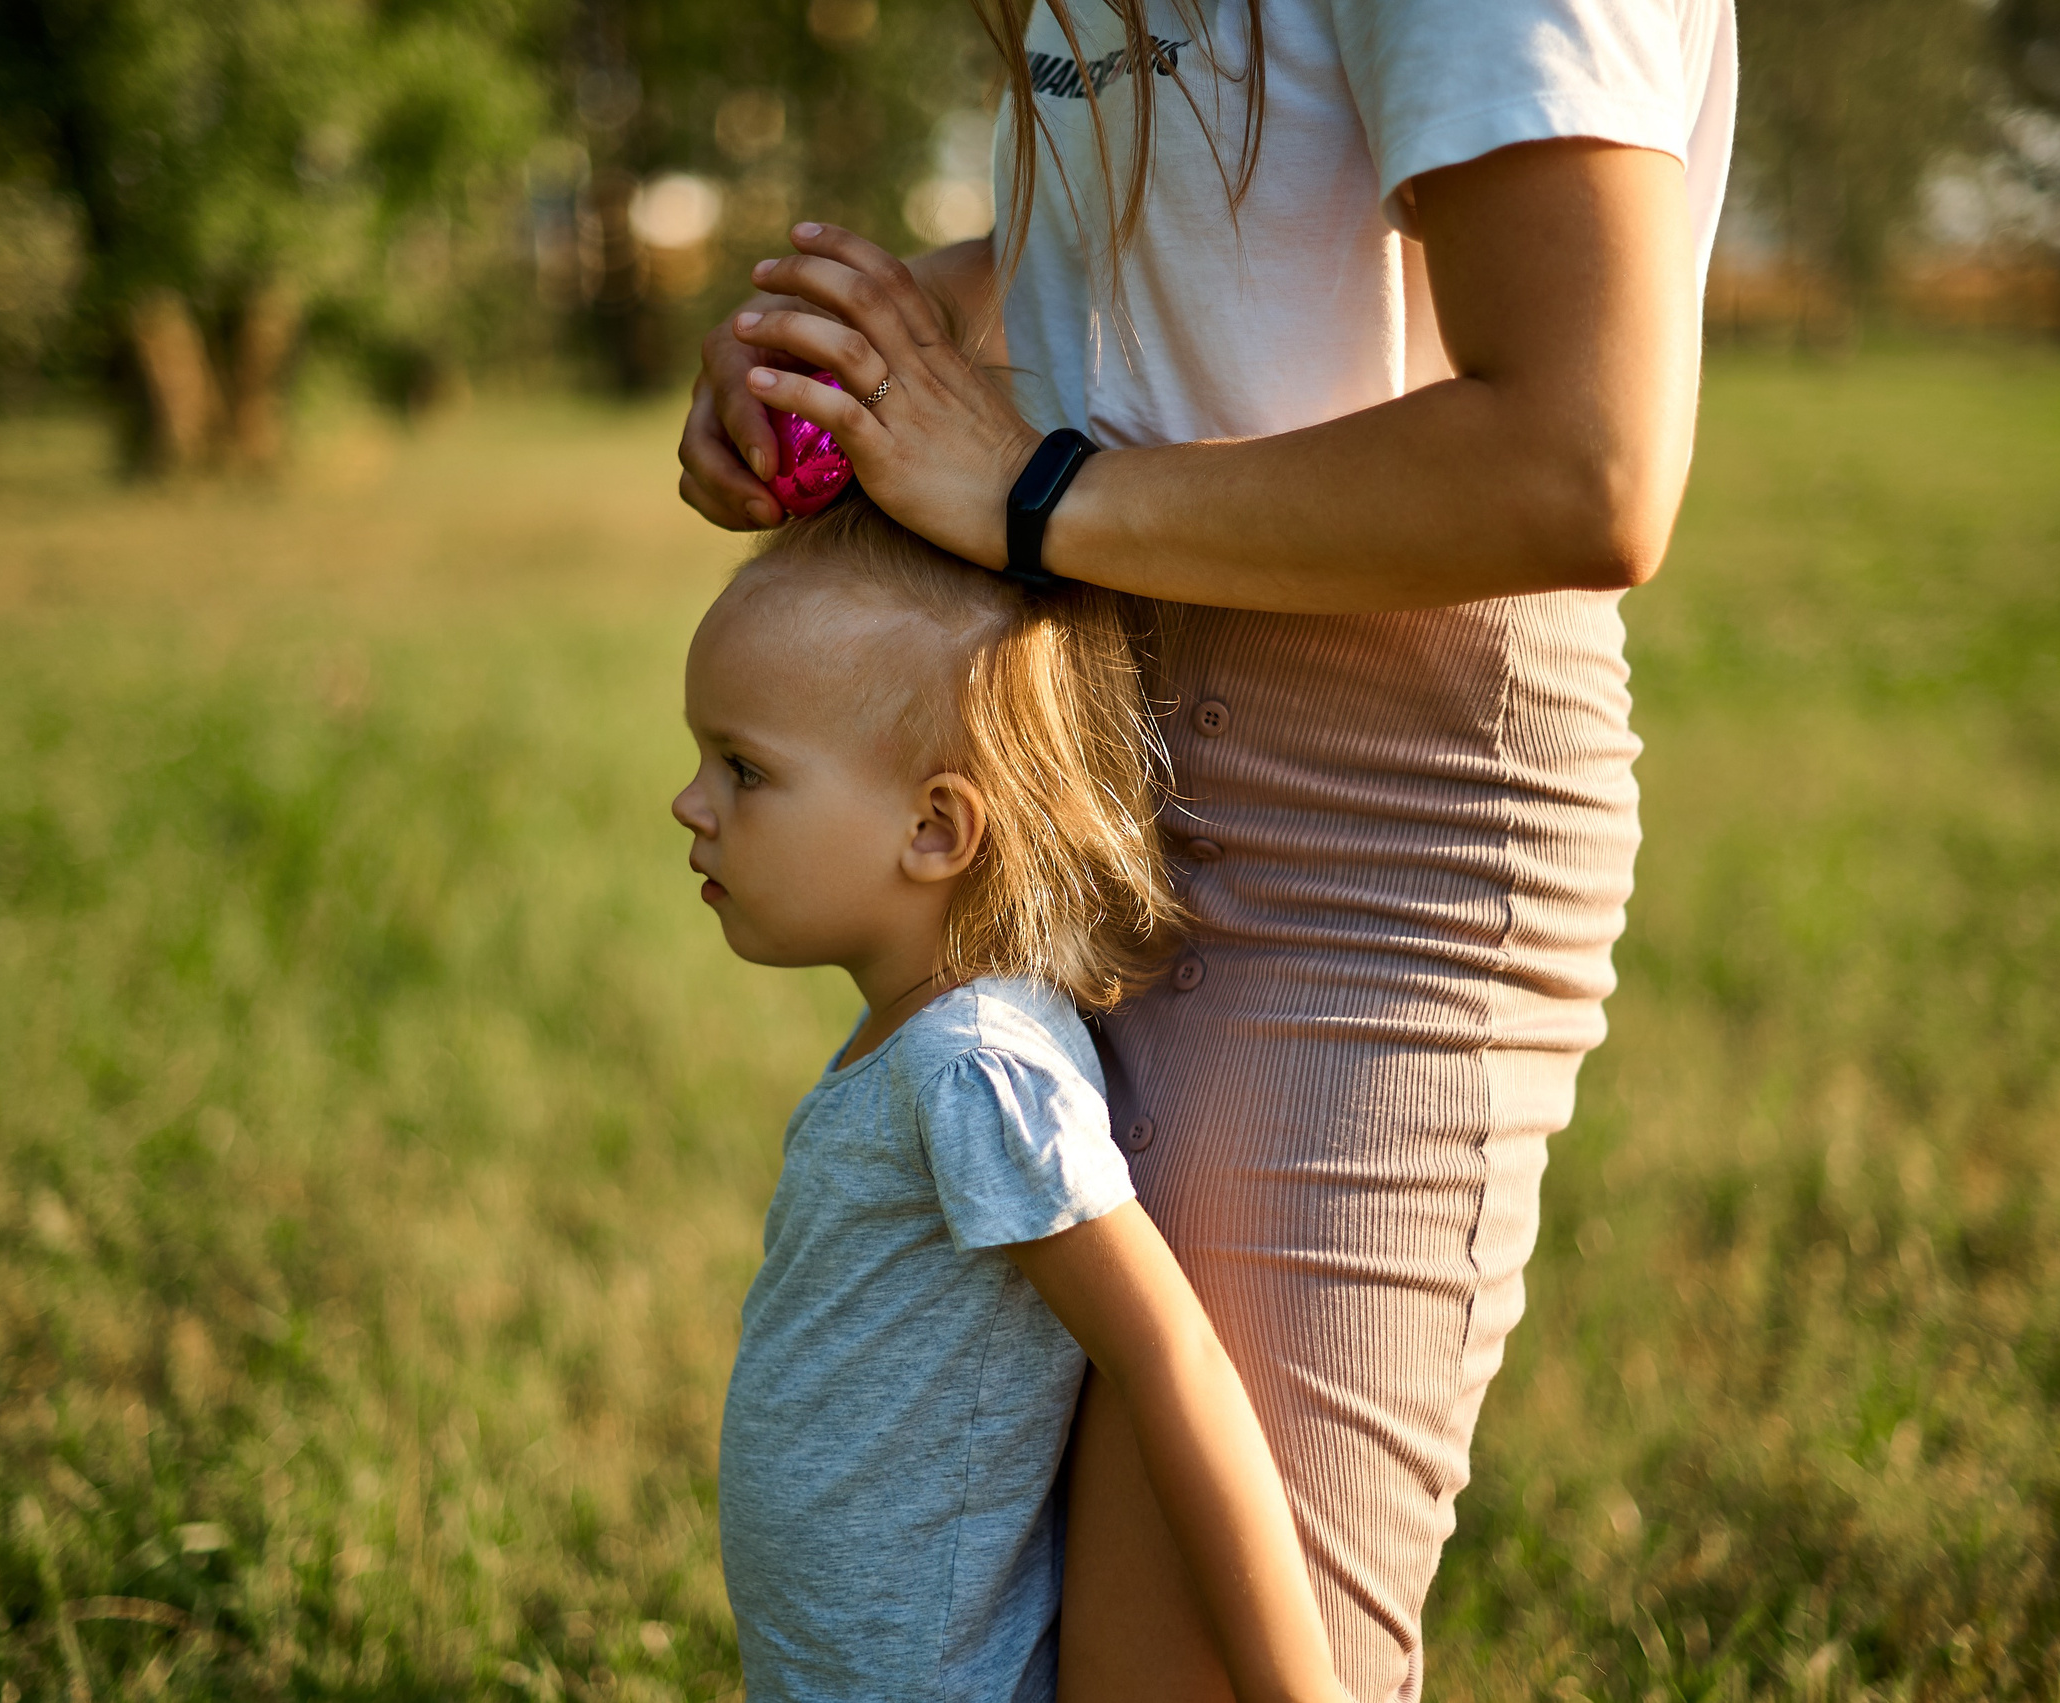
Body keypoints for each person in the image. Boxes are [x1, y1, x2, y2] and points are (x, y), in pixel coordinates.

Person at [674, 4, 1739, 1700]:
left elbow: (1586, 459)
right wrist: (883, 340)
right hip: (1105, 774)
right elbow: (1183, 262)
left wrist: (1030, 490)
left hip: (1368, 831)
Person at [673, 496, 1350, 1703]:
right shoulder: (925, 1038)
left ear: (935, 827)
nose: (691, 802)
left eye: (745, 768)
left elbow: (1170, 1360)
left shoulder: (977, 1069)